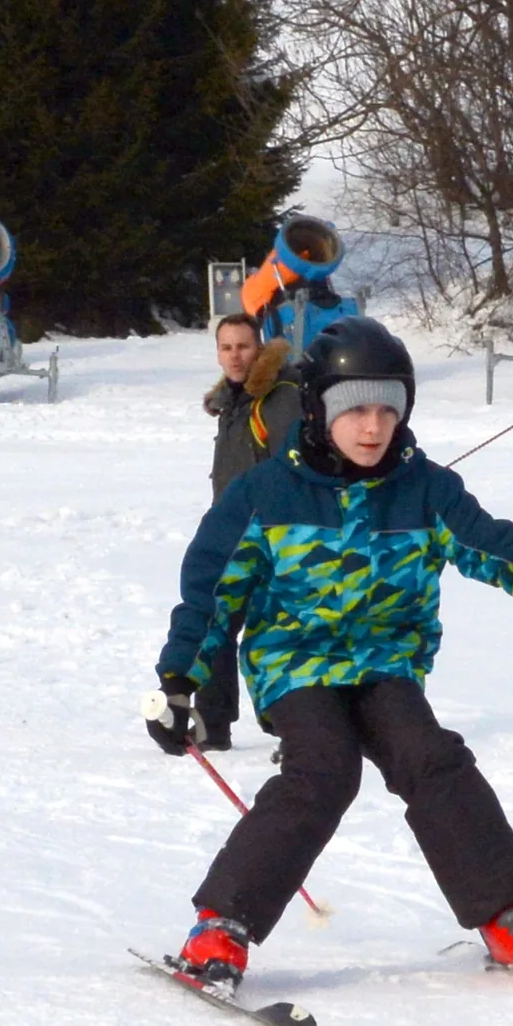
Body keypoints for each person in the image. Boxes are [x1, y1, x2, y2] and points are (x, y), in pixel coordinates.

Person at [146, 317, 513, 987]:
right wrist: (180, 680)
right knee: (324, 771)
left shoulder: (424, 489)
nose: (373, 427)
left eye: (389, 409)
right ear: (321, 410)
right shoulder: (265, 495)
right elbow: (211, 593)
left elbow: (501, 552)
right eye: (354, 409)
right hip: (296, 664)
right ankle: (221, 924)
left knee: (430, 757)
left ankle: (507, 915)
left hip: (385, 662)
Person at [195, 313, 302, 751]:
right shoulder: (233, 402)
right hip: (232, 536)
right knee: (214, 625)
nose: (235, 356)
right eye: (226, 348)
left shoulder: (278, 398)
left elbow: (291, 469)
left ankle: (295, 731)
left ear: (259, 349)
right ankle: (211, 726)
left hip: (272, 540)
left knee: (271, 637)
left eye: (243, 346)